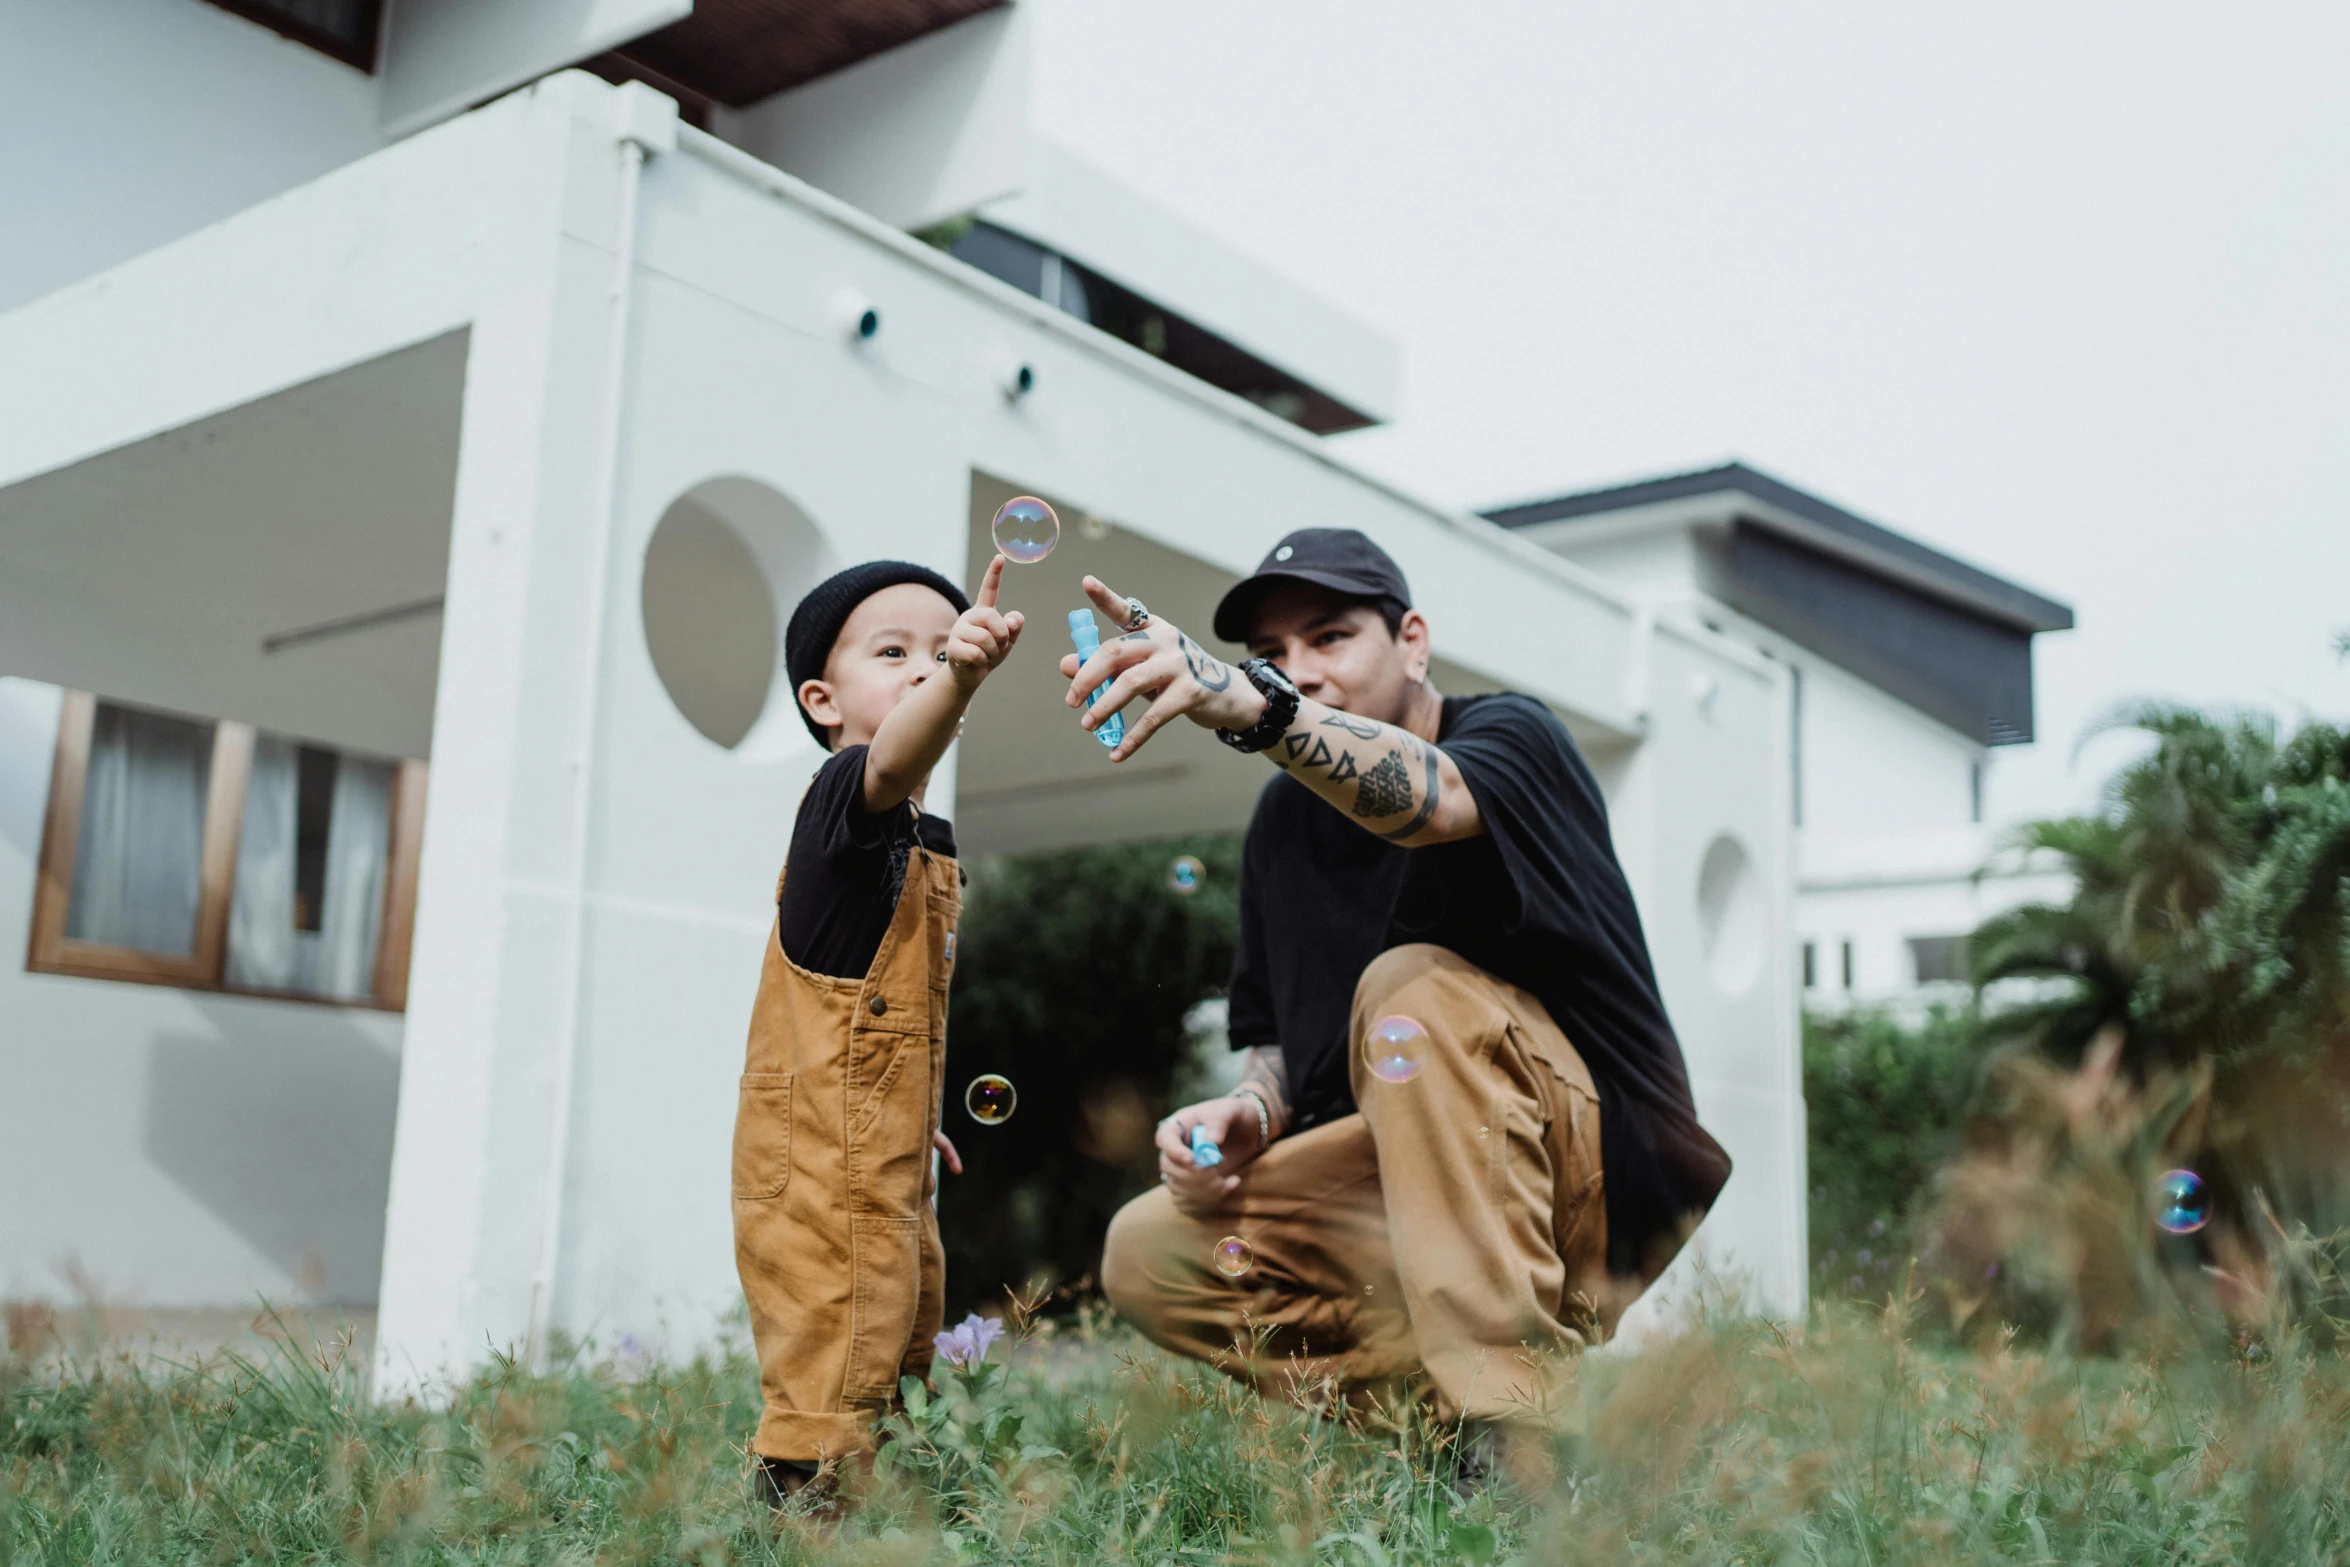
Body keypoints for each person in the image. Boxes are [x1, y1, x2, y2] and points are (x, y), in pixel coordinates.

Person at [1072, 529, 1731, 1439]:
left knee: (1411, 988)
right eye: (1268, 655)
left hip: (1596, 1175)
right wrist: (1253, 1113)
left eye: (1328, 637)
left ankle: (1514, 1422)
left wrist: (1249, 702)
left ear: (1412, 642)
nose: (1295, 670)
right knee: (1150, 1251)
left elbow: (1433, 800)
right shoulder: (1280, 825)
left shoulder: (1508, 736)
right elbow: (1279, 1042)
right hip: (1407, 1191)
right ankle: (1460, 1435)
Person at [733, 554, 1024, 1509]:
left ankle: (886, 1509)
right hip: (817, 1155)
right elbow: (896, 755)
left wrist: (915, 1109)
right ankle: (795, 1508)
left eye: (941, 650)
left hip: (882, 1148)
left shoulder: (916, 835)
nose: (925, 666)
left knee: (902, 1331)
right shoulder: (845, 804)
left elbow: (888, 1020)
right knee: (835, 1340)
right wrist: (963, 674)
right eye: (894, 651)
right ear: (824, 700)